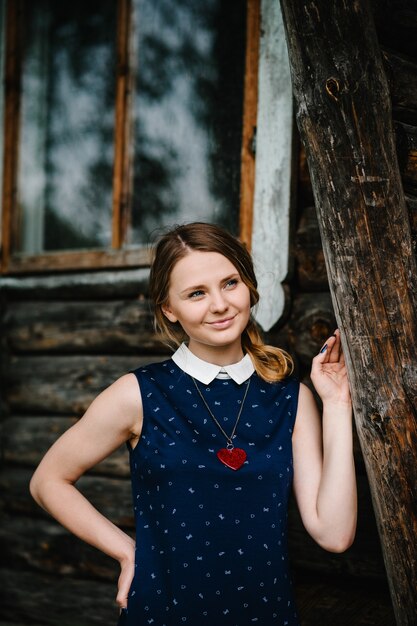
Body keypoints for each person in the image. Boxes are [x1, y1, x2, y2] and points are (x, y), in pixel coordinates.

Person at [30, 222, 357, 626]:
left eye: (230, 283)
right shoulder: (140, 393)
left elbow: (334, 534)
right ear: (169, 308)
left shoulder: (291, 399)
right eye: (196, 293)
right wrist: (128, 552)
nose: (219, 304)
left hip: (265, 615)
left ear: (249, 287)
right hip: (164, 612)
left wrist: (338, 403)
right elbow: (47, 481)